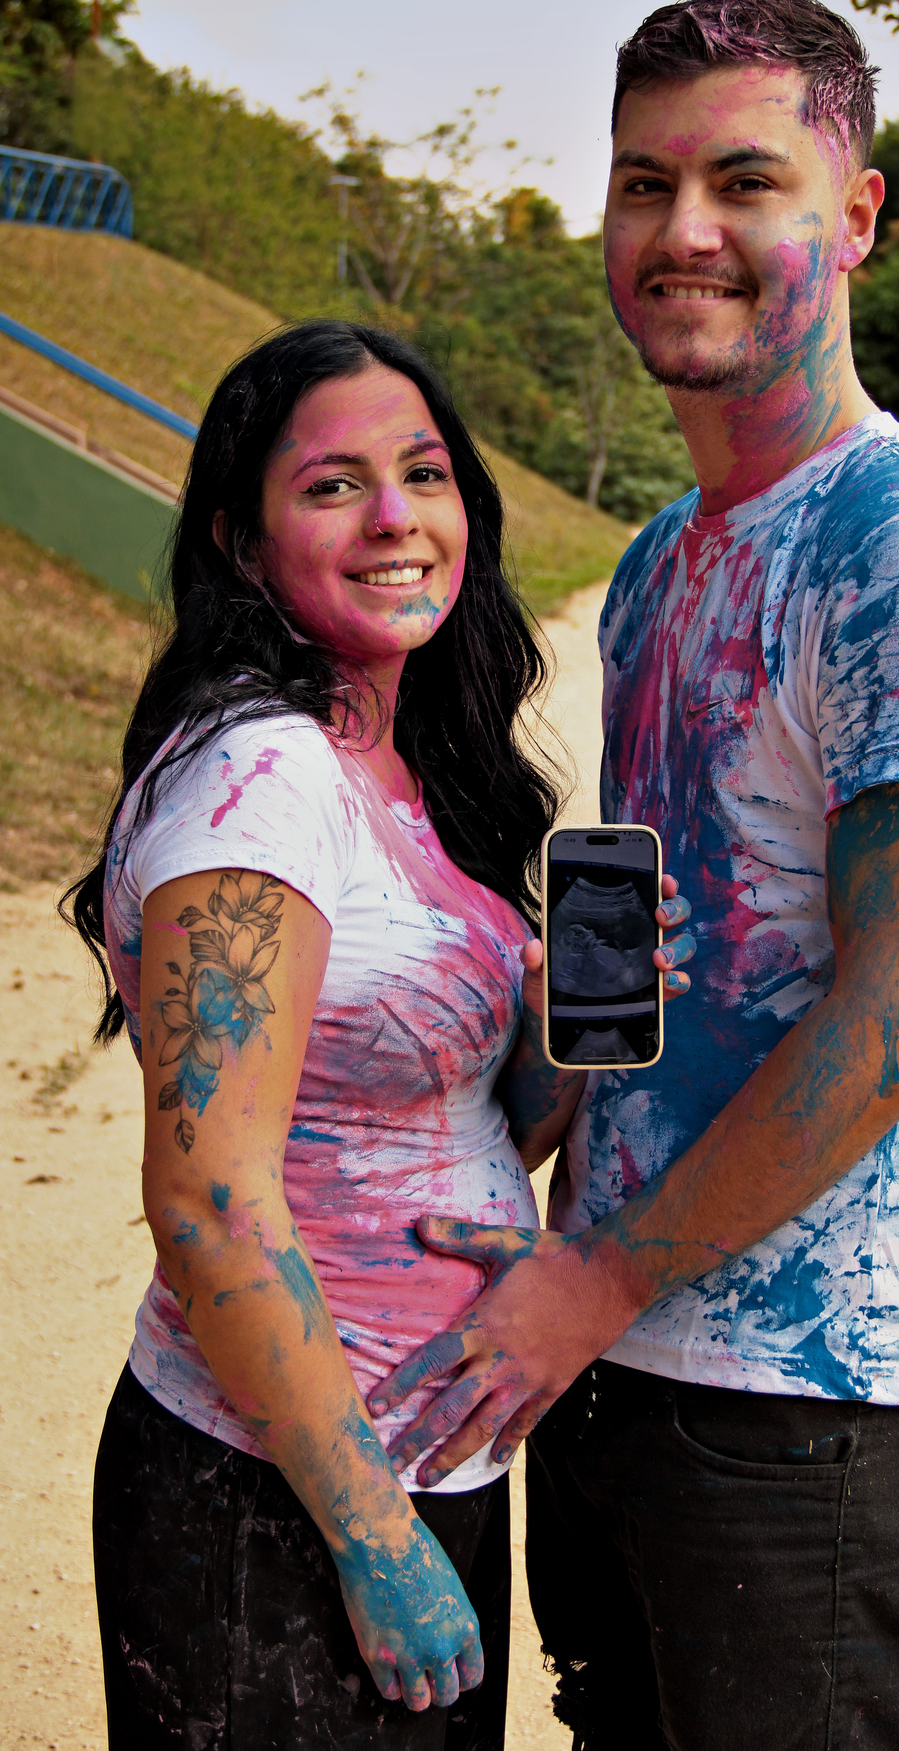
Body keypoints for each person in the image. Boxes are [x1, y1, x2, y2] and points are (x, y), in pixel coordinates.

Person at [368, 0, 899, 1751]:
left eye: (745, 182)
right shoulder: (673, 553)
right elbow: (656, 970)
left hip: (811, 1402)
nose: (684, 234)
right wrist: (513, 1090)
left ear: (856, 214)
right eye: (640, 185)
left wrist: (586, 1282)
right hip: (616, 1354)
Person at [64, 317, 694, 1748]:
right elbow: (208, 1202)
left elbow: (471, 1126)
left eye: (423, 473)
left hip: (418, 1474)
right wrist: (371, 1536)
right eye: (334, 485)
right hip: (281, 1495)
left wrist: (559, 1025)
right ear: (240, 539)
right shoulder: (262, 779)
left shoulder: (403, 767)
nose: (398, 517)